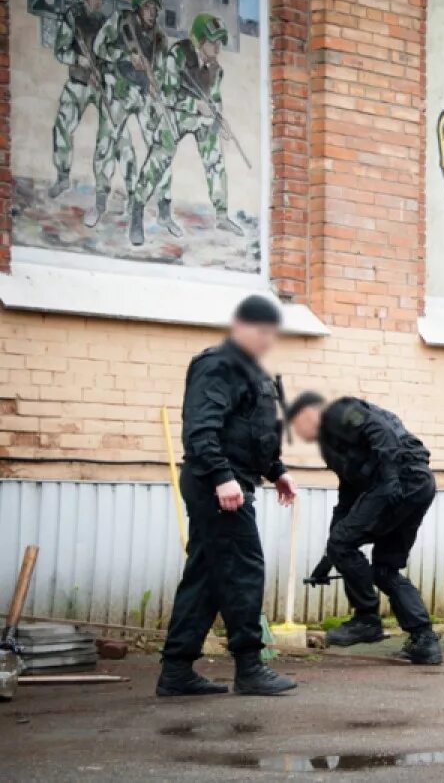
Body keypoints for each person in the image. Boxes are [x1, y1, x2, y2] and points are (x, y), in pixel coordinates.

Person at [157, 295, 299, 697]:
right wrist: (222, 477)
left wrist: (277, 470)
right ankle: (250, 667)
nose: (267, 340)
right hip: (215, 483)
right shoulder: (217, 364)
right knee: (242, 570)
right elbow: (201, 428)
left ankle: (176, 672)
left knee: (206, 577)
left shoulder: (250, 372)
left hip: (230, 479)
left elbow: (252, 432)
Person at [287, 393, 442, 665]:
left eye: (297, 423)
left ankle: (367, 619)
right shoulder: (332, 446)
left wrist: (392, 479)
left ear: (309, 413)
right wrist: (329, 557)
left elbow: (379, 430)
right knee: (384, 569)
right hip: (415, 486)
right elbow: (347, 498)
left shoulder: (340, 412)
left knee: (344, 544)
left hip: (401, 480)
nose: (298, 432)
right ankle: (424, 640)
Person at [130, 13, 243, 245]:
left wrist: (220, 121)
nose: (218, 46)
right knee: (160, 156)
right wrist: (195, 105)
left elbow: (214, 99)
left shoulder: (216, 70)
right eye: (213, 41)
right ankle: (137, 210)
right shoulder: (178, 54)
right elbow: (166, 94)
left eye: (220, 41)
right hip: (174, 112)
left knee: (215, 158)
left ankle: (222, 214)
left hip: (199, 116)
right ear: (200, 40)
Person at [89, 0, 169, 229]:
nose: (152, 11)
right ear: (137, 7)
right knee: (106, 143)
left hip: (144, 94)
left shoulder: (160, 38)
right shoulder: (121, 21)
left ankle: (161, 206)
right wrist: (124, 56)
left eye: (155, 6)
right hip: (119, 90)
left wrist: (157, 86)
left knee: (162, 143)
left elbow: (162, 70)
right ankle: (100, 202)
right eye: (147, 6)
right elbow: (98, 47)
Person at [48, 0, 135, 201]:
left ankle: (115, 187)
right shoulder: (73, 16)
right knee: (62, 126)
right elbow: (60, 50)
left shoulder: (103, 22)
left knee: (114, 131)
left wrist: (105, 74)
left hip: (100, 84)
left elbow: (109, 53)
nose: (98, 0)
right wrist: (78, 59)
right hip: (78, 81)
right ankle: (62, 175)